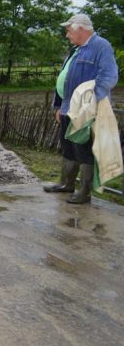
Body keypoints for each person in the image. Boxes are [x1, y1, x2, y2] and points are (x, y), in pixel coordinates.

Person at [43, 13, 119, 204]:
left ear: (81, 30)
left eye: (68, 31)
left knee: (82, 148)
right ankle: (66, 184)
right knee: (68, 145)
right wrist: (59, 105)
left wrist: (90, 103)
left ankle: (84, 192)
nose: (67, 35)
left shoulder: (101, 46)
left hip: (85, 110)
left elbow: (109, 77)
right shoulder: (75, 50)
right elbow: (65, 77)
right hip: (69, 108)